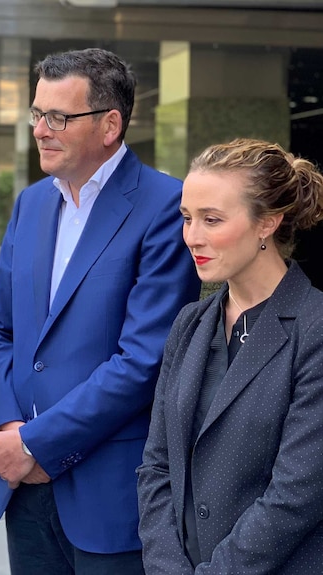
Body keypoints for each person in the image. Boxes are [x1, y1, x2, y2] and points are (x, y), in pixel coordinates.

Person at [0, 47, 200, 574]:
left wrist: (36, 443)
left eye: (58, 117)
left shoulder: (167, 206)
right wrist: (10, 431)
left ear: (110, 125)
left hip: (108, 494)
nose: (40, 129)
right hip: (21, 487)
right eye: (36, 113)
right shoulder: (31, 203)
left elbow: (143, 361)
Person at [137, 139, 323, 573]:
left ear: (268, 223)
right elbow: (156, 465)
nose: (192, 237)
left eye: (212, 220)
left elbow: (297, 494)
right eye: (187, 218)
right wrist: (167, 566)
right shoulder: (190, 322)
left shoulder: (314, 328)